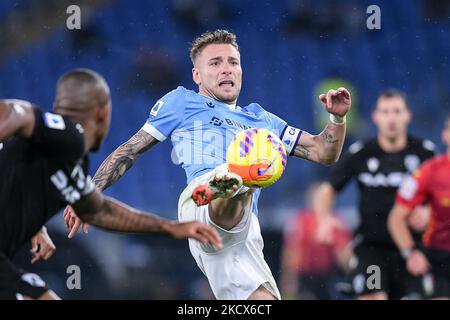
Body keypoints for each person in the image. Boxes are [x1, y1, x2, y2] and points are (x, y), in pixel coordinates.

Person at [65, 30, 351, 300]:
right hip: (200, 198)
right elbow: (131, 149)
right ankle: (229, 183)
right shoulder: (181, 101)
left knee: (262, 300)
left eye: (233, 62)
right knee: (243, 168)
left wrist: (337, 119)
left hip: (245, 230)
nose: (226, 68)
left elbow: (323, 152)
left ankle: (235, 183)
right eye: (215, 63)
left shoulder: (262, 120)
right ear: (197, 75)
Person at [0, 69, 221, 300]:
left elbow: (100, 211)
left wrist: (171, 228)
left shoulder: (66, 162)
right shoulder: (66, 134)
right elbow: (18, 112)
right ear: (103, 113)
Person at [313, 89, 436, 300]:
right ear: (375, 116)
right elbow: (327, 189)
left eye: (397, 111)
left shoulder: (425, 153)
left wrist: (429, 211)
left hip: (415, 249)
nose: (391, 118)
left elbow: (443, 194)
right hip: (372, 250)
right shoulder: (362, 152)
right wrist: (323, 219)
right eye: (385, 111)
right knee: (373, 296)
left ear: (407, 115)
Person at [388, 115, 450, 299]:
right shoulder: (428, 172)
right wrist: (410, 252)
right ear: (445, 135)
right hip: (441, 260)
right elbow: (396, 218)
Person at [280, 183, 352, 300]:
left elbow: (343, 255)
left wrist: (355, 275)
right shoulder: (301, 220)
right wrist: (289, 281)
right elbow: (291, 254)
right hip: (306, 276)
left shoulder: (335, 221)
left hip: (328, 276)